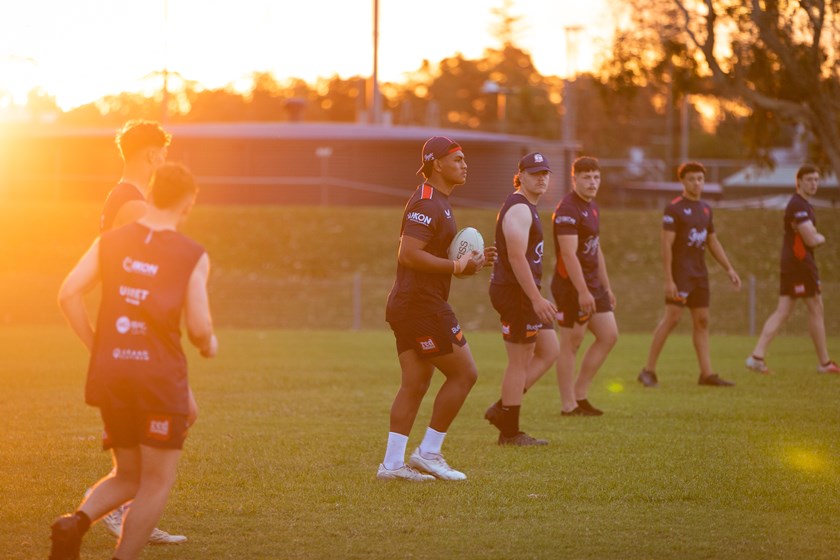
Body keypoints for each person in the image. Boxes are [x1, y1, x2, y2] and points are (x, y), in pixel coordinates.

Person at [50, 163, 217, 560]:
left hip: (113, 373)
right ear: (188, 204)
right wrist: (210, 344)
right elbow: (198, 328)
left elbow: (68, 293)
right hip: (159, 379)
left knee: (127, 474)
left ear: (152, 193)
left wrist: (97, 346)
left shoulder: (109, 241)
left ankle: (73, 524)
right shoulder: (192, 254)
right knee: (156, 481)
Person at [378, 136, 496, 481]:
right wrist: (456, 268)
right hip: (420, 306)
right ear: (437, 163)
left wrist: (468, 263)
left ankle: (392, 465)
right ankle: (428, 453)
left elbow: (432, 258)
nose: (464, 165)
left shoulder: (440, 202)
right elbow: (409, 254)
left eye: (464, 160)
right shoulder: (428, 203)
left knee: (415, 384)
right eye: (457, 159)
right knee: (465, 374)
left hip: (412, 304)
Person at [96, 120, 190, 545]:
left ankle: (127, 511)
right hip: (136, 334)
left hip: (127, 333)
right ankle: (123, 513)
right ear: (152, 154)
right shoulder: (132, 203)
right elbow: (142, 276)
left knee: (154, 427)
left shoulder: (123, 196)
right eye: (163, 154)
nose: (165, 161)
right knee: (174, 417)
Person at [638, 161, 741, 388]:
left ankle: (706, 374)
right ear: (682, 181)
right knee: (672, 318)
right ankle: (648, 370)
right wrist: (668, 279)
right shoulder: (673, 209)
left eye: (700, 179)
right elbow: (666, 245)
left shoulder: (706, 209)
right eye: (692, 179)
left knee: (702, 321)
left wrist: (729, 268)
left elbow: (712, 241)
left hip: (699, 275)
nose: (697, 183)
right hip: (680, 275)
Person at [484, 152, 559, 445]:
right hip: (516, 294)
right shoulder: (519, 208)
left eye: (545, 173)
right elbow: (516, 258)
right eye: (535, 173)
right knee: (519, 361)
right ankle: (509, 431)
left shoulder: (527, 206)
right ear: (521, 176)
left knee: (550, 350)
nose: (541, 178)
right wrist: (536, 299)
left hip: (523, 293)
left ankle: (502, 407)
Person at [745, 164, 840, 374]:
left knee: (785, 310)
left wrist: (815, 235)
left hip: (794, 263)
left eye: (816, 180)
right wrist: (820, 236)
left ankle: (756, 357)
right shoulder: (798, 205)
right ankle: (824, 364)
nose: (813, 184)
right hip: (800, 264)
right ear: (799, 182)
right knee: (815, 307)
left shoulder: (803, 204)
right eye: (809, 180)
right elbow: (811, 239)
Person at [552, 156, 618, 416]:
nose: (592, 182)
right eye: (586, 177)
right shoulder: (567, 209)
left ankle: (581, 394)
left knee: (609, 335)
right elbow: (568, 255)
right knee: (572, 342)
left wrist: (607, 287)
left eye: (596, 177)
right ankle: (568, 405)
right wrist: (582, 291)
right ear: (574, 179)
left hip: (592, 284)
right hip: (571, 286)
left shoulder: (592, 207)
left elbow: (595, 249)